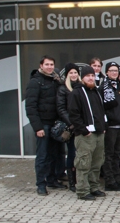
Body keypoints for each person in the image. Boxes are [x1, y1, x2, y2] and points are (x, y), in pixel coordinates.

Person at [26, 55, 65, 196]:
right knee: (42, 156)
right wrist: (38, 128)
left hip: (56, 125)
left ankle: (52, 180)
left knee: (55, 154)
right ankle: (41, 184)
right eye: (47, 64)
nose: (49, 67)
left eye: (51, 64)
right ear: (41, 66)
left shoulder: (56, 81)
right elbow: (30, 107)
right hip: (43, 125)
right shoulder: (35, 82)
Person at [67, 65, 107, 200]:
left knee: (97, 162)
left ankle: (94, 187)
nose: (91, 78)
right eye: (87, 76)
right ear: (82, 78)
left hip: (99, 132)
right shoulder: (76, 93)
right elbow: (73, 115)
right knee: (83, 163)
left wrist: (103, 127)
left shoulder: (96, 92)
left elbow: (101, 112)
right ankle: (83, 191)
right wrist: (84, 130)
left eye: (92, 76)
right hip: (85, 135)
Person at [101, 62, 120, 191]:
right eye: (111, 70)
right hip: (111, 126)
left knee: (117, 153)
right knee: (109, 154)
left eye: (116, 70)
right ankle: (110, 181)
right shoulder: (104, 87)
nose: (114, 72)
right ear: (107, 72)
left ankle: (118, 179)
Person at [57, 62, 81, 192]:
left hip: (82, 126)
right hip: (71, 127)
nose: (73, 75)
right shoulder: (63, 89)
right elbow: (61, 108)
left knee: (81, 154)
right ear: (67, 75)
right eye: (71, 73)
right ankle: (72, 182)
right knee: (72, 153)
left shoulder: (82, 87)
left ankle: (80, 179)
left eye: (75, 72)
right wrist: (72, 123)